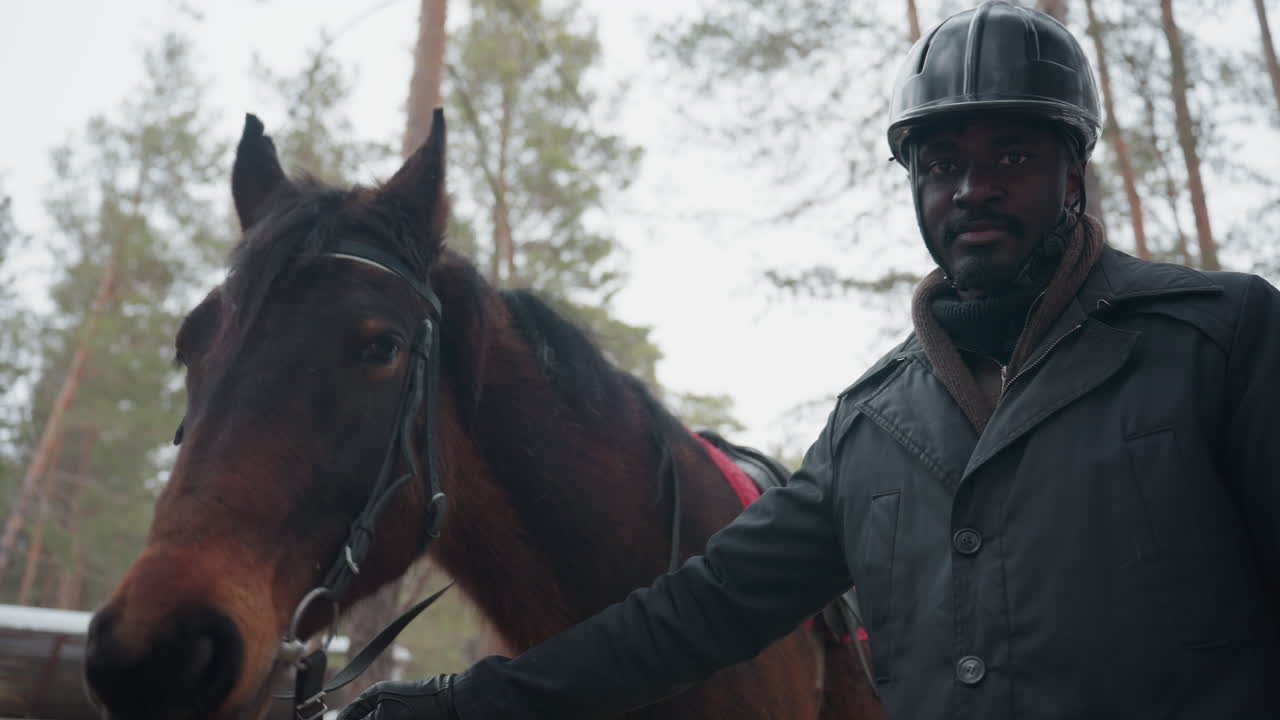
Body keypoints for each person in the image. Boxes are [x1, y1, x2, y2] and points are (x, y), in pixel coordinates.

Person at [338, 2, 1280, 718]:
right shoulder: (875, 425)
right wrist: (468, 703)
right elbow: (695, 612)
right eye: (941, 163)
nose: (972, 188)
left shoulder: (1219, 342)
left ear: (1073, 170)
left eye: (1014, 155)